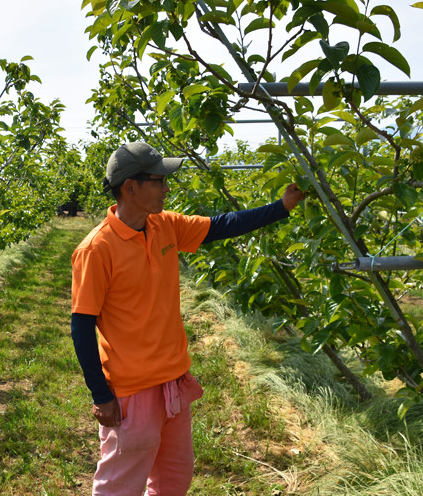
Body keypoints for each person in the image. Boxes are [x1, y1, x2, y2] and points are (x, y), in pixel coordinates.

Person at [70, 141, 306, 495]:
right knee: (120, 485)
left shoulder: (163, 225)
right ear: (131, 187)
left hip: (172, 381)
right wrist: (100, 394)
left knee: (173, 478)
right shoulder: (96, 249)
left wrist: (281, 207)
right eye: (159, 181)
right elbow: (82, 326)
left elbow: (222, 226)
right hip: (131, 390)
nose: (167, 189)